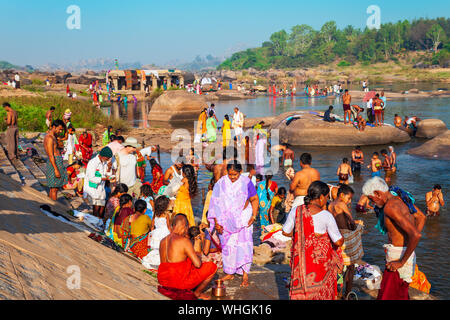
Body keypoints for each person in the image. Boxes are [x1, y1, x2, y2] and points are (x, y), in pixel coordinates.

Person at [362, 177, 426, 300]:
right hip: (406, 254)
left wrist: (401, 261)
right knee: (399, 293)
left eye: (371, 199)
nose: (372, 203)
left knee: (389, 295)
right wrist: (408, 245)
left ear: (377, 193)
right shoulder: (401, 198)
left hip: (398, 258)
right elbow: (421, 217)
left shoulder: (390, 207)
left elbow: (416, 235)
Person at [282, 181, 344, 300]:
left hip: (301, 263)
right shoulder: (326, 215)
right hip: (320, 266)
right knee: (321, 292)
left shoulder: (296, 210)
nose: (326, 200)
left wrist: (301, 233)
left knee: (302, 291)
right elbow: (338, 242)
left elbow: (285, 231)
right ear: (321, 197)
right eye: (326, 197)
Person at [208, 161, 259, 287]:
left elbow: (254, 199)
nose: (232, 177)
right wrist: (216, 222)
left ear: (240, 172)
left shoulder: (246, 182)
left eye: (235, 175)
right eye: (230, 174)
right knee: (228, 246)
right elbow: (215, 203)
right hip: (225, 221)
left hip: (243, 219)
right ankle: (230, 272)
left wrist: (253, 215)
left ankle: (245, 274)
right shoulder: (221, 183)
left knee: (244, 246)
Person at [158, 214, 217, 300]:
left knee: (188, 261)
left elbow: (167, 263)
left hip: (163, 280)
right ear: (185, 226)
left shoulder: (163, 240)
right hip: (177, 283)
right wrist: (197, 254)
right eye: (187, 228)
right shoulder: (184, 241)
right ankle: (198, 293)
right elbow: (198, 264)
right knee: (212, 267)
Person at [328, 185, 364, 299]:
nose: (349, 201)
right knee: (351, 267)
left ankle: (337, 292)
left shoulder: (330, 204)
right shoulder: (342, 204)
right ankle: (348, 293)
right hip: (345, 237)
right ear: (342, 195)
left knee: (339, 266)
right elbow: (351, 223)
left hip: (336, 235)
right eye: (349, 198)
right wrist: (357, 226)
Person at [83, 146, 114, 219]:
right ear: (103, 156)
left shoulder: (104, 163)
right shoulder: (93, 163)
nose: (108, 160)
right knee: (96, 207)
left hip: (101, 188)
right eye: (107, 158)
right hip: (93, 188)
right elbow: (91, 178)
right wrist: (104, 179)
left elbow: (107, 174)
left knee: (102, 206)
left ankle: (99, 220)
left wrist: (109, 168)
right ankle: (95, 221)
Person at [142, 196, 172, 270]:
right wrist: (172, 234)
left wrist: (151, 234)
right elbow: (168, 226)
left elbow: (152, 225)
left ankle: (152, 260)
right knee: (163, 249)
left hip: (156, 233)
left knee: (156, 249)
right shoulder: (166, 215)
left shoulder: (155, 214)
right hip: (165, 233)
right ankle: (159, 262)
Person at [44, 120, 68, 201]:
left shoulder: (53, 137)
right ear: (54, 127)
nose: (60, 131)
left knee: (54, 188)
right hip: (54, 163)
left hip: (56, 161)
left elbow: (65, 137)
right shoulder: (50, 138)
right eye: (59, 129)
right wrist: (56, 169)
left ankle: (52, 205)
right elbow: (51, 155)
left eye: (61, 130)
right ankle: (55, 207)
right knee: (54, 189)